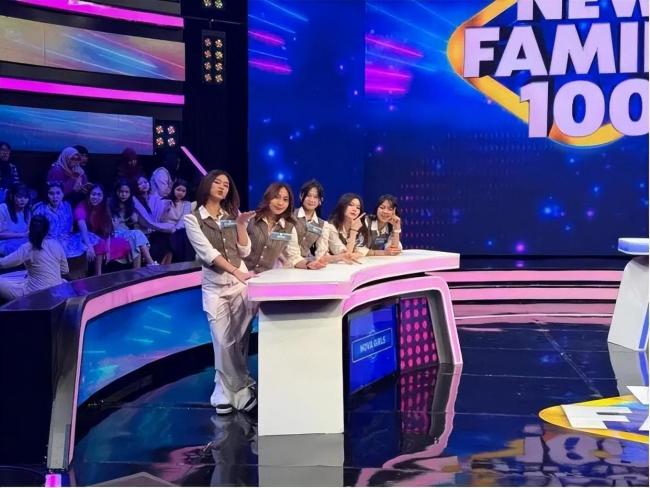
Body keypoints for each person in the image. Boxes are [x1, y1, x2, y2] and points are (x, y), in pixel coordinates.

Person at [184, 170, 257, 415]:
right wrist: (235, 271)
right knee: (222, 340)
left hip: (239, 285)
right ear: (207, 184)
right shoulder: (193, 219)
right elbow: (208, 254)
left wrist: (241, 225)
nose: (222, 187)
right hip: (216, 286)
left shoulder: (231, 216)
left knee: (239, 340)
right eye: (217, 182)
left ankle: (223, 388)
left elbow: (244, 251)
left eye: (226, 184)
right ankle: (241, 387)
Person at [245, 182, 326, 274]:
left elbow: (293, 256)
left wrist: (309, 264)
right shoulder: (250, 220)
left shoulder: (289, 226)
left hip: (268, 275)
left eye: (285, 199)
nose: (280, 203)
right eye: (276, 197)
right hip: (241, 274)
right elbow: (238, 251)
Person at [0, 215, 68, 301]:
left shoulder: (27, 248)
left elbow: (2, 263)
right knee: (62, 281)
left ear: (29, 230)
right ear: (47, 230)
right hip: (55, 293)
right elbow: (65, 270)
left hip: (33, 296)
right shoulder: (56, 244)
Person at [294, 179, 355, 263]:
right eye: (308, 195)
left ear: (320, 201)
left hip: (304, 265)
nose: (311, 200)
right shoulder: (290, 216)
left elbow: (321, 255)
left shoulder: (323, 225)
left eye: (315, 197)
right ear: (301, 196)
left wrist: (340, 256)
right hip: (283, 264)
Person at [74, 185, 131, 275]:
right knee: (100, 243)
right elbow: (83, 229)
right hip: (82, 237)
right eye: (93, 194)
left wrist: (107, 250)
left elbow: (107, 230)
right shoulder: (81, 206)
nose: (96, 197)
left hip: (99, 237)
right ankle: (98, 274)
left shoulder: (104, 207)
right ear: (89, 195)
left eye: (99, 195)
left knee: (123, 243)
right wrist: (89, 246)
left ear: (103, 197)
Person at [108, 179, 157, 267]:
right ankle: (150, 263)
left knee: (136, 240)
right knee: (136, 234)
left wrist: (134, 218)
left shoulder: (130, 205)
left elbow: (134, 221)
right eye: (121, 191)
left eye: (126, 192)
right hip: (114, 233)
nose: (124, 194)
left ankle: (137, 271)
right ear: (116, 192)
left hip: (126, 232)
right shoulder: (110, 204)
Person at [33, 182, 87, 259]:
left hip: (66, 239)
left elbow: (69, 226)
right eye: (51, 194)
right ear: (47, 195)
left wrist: (66, 235)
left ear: (62, 194)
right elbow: (36, 231)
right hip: (48, 242)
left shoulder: (67, 206)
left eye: (58, 193)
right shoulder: (40, 209)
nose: (55, 197)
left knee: (87, 242)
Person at [132, 175, 174, 264]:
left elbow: (161, 219)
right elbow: (141, 221)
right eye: (140, 183)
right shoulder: (134, 200)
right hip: (143, 233)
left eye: (145, 182)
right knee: (163, 239)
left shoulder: (155, 198)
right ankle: (155, 265)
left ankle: (165, 266)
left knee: (171, 239)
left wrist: (165, 210)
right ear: (135, 186)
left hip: (155, 230)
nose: (144, 185)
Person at [328, 193, 370, 257]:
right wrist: (353, 231)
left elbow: (361, 250)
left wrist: (357, 254)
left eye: (358, 207)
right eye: (351, 205)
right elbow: (346, 255)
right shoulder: (331, 226)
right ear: (342, 206)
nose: (354, 209)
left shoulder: (359, 225)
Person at [164, 179, 194, 261]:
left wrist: (175, 229)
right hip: (165, 229)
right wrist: (166, 209)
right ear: (173, 189)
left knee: (184, 233)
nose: (180, 193)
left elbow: (183, 219)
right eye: (178, 190)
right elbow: (161, 219)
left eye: (183, 191)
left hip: (178, 230)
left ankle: (186, 263)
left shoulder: (187, 204)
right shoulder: (165, 201)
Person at [0, 183, 30, 256]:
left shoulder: (27, 211)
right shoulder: (3, 208)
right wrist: (21, 235)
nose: (23, 200)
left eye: (25, 197)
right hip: (5, 243)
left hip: (22, 242)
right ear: (12, 196)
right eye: (19, 196)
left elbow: (28, 232)